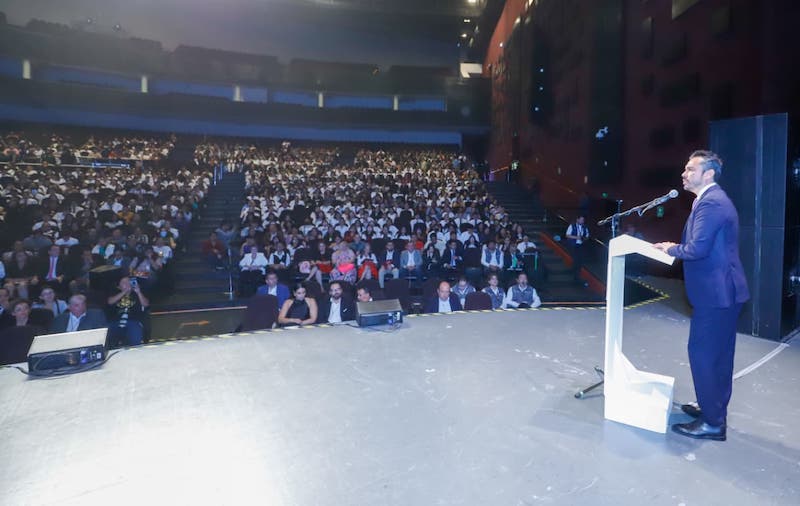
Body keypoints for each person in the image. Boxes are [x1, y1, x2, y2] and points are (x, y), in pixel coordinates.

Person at [654, 150, 749, 442]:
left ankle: (712, 423)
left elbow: (697, 249)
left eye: (690, 169)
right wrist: (675, 247)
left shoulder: (711, 203)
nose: (684, 174)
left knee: (704, 354)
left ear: (708, 174)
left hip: (716, 294)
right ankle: (712, 408)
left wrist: (670, 248)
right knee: (719, 355)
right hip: (723, 292)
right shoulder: (710, 200)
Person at [106, 277, 149, 347]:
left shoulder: (137, 293)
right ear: (119, 286)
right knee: (108, 333)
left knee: (135, 331)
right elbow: (110, 301)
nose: (127, 284)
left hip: (133, 321)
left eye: (128, 282)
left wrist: (138, 292)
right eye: (124, 282)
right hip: (115, 321)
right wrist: (124, 292)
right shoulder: (115, 292)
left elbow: (145, 304)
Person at [565, 215, 589, 287]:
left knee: (580, 259)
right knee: (576, 259)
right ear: (577, 220)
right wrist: (576, 237)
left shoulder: (585, 227)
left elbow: (587, 235)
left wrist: (584, 238)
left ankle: (577, 274)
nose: (582, 221)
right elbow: (567, 235)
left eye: (583, 220)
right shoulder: (572, 226)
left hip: (581, 245)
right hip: (573, 245)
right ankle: (575, 273)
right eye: (581, 220)